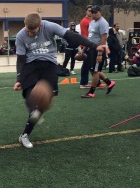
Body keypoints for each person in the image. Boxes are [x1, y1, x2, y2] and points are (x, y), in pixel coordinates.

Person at [13, 13, 105, 148]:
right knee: (31, 97)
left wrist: (94, 45)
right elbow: (20, 59)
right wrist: (19, 79)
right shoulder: (21, 35)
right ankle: (28, 127)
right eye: (28, 30)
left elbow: (71, 36)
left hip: (49, 65)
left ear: (40, 25)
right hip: (30, 65)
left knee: (43, 103)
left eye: (33, 31)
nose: (30, 33)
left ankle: (25, 133)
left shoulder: (49, 26)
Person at [81, 5, 116, 98]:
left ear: (100, 12)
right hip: (90, 48)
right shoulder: (92, 22)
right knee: (93, 70)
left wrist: (100, 53)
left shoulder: (103, 23)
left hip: (98, 49)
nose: (94, 14)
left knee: (95, 71)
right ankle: (109, 82)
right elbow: (90, 38)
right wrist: (84, 49)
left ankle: (91, 92)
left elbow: (103, 39)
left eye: (95, 12)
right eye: (92, 12)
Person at [79, 5, 92, 88]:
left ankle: (96, 82)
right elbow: (85, 35)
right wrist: (84, 47)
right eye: (89, 10)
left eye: (92, 10)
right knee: (86, 64)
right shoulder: (84, 21)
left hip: (90, 44)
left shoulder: (92, 21)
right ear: (86, 11)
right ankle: (83, 83)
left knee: (90, 64)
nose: (90, 12)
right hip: (86, 45)